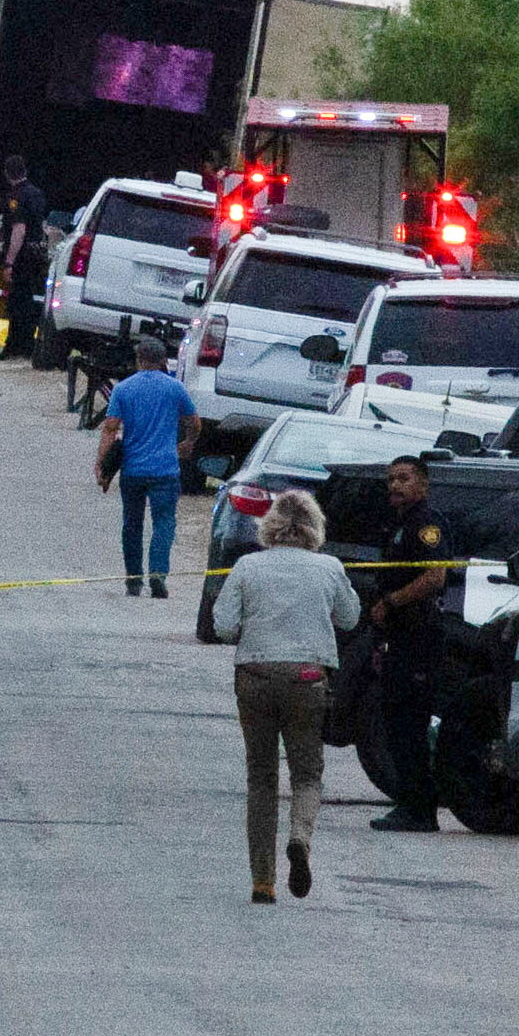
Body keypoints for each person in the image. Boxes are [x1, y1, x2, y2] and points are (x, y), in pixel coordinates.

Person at [212, 490, 359, 904]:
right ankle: (300, 838)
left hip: (255, 675)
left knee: (261, 779)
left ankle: (262, 881)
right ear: (315, 527)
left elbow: (223, 625)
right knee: (307, 774)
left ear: (270, 525)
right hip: (308, 678)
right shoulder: (329, 568)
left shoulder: (247, 566)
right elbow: (350, 617)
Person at [366, 455, 455, 833]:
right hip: (397, 638)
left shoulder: (426, 524)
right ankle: (409, 802)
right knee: (395, 721)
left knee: (410, 723)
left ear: (422, 484)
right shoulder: (398, 525)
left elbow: (435, 577)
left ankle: (419, 809)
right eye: (390, 479)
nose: (394, 486)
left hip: (419, 638)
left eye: (403, 478)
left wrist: (391, 602)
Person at [95, 339, 199, 597]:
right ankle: (158, 573)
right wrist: (188, 442)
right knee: (164, 522)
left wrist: (102, 465)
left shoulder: (123, 390)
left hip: (133, 470)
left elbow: (110, 428)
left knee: (132, 524)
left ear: (138, 359)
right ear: (164, 361)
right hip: (166, 470)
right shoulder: (175, 388)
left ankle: (133, 579)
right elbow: (194, 422)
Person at [0, 155, 49, 362]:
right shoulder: (37, 194)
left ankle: (13, 346)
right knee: (29, 300)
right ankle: (27, 345)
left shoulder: (16, 196)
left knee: (17, 301)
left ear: (8, 173)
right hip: (35, 255)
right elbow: (40, 226)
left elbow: (19, 229)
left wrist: (9, 261)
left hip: (22, 257)